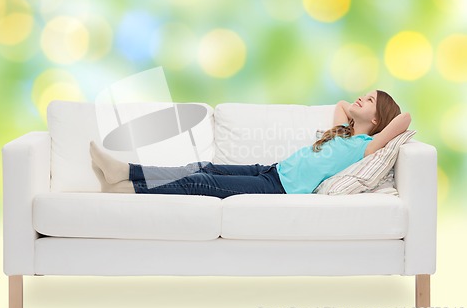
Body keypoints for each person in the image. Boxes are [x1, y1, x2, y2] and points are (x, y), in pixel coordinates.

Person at [90, 90, 411, 198]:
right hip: (270, 171)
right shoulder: (343, 133)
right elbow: (342, 103)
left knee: (200, 183)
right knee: (201, 167)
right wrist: (357, 115)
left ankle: (129, 186)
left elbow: (404, 119)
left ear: (378, 121)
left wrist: (377, 122)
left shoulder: (366, 146)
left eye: (370, 99)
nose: (361, 96)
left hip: (279, 189)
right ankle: (127, 171)